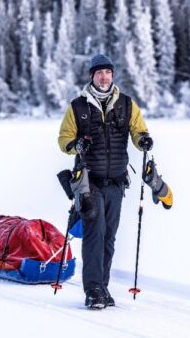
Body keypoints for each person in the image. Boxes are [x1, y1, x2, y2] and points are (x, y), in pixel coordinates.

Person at [57, 54, 154, 309]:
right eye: (99, 73)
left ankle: (103, 286)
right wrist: (75, 144)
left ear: (112, 76)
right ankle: (93, 291)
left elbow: (138, 130)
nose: (104, 77)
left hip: (117, 182)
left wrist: (143, 139)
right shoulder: (78, 106)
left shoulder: (126, 104)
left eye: (108, 73)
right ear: (92, 76)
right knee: (94, 234)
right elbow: (63, 139)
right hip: (89, 182)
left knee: (109, 237)